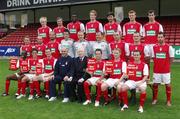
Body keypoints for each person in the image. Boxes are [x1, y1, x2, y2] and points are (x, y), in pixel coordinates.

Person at [151, 32, 174, 106]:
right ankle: (155, 99)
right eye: (159, 37)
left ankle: (168, 100)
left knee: (168, 85)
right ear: (157, 38)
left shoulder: (169, 47)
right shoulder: (154, 47)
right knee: (155, 84)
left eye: (161, 37)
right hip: (157, 70)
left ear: (164, 38)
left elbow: (171, 58)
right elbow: (153, 58)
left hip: (166, 70)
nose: (160, 38)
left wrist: (167, 65)